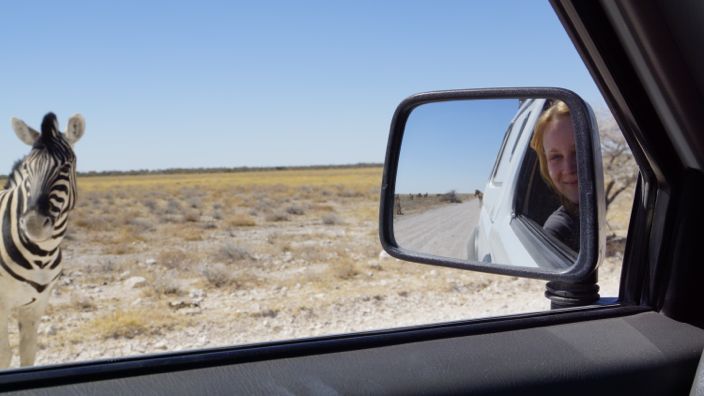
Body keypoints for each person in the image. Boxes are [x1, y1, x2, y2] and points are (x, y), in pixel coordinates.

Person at [530, 100, 579, 252]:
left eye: (578, 152)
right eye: (556, 157)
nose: (568, 168)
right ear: (546, 166)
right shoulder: (558, 231)